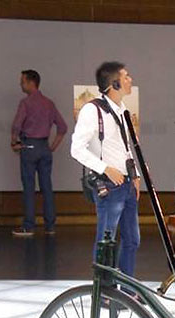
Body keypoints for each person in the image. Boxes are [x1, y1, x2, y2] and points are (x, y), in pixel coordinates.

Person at [70, 61, 140, 276]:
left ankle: (128, 292)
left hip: (126, 183)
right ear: (114, 83)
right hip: (109, 186)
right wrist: (106, 168)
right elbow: (76, 149)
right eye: (126, 76)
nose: (130, 80)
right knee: (106, 242)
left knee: (132, 240)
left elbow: (125, 147)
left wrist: (135, 174)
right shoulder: (92, 110)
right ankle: (106, 293)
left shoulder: (122, 110)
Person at [11, 69, 67, 236]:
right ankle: (50, 225)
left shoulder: (25, 103)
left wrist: (14, 142)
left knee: (29, 187)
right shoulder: (49, 103)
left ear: (31, 82)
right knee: (47, 187)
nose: (21, 84)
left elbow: (16, 125)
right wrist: (52, 147)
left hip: (29, 147)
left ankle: (29, 225)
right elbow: (63, 127)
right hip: (44, 148)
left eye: (23, 81)